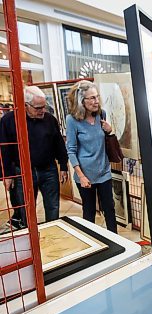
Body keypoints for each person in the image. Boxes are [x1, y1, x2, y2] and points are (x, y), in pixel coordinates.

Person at [0, 86, 68, 233]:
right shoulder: (9, 121)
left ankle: (53, 234)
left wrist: (63, 165)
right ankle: (29, 236)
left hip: (48, 169)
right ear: (26, 105)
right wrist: (8, 174)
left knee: (53, 206)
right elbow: (4, 150)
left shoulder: (50, 119)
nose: (43, 110)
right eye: (38, 108)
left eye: (44, 106)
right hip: (22, 171)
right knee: (25, 207)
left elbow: (59, 144)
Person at [65, 80, 117, 233]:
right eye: (92, 98)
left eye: (97, 97)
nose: (96, 101)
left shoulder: (102, 114)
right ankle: (92, 242)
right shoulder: (72, 120)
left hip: (104, 171)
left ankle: (117, 241)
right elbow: (71, 150)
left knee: (109, 209)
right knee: (89, 213)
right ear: (82, 101)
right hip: (85, 175)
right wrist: (81, 176)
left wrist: (110, 129)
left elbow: (107, 138)